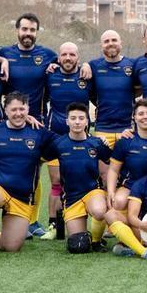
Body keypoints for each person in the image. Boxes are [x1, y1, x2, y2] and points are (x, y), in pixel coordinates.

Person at [0, 93, 58, 256]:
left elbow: (65, 144)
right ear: (5, 110)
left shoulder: (39, 132)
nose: (18, 113)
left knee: (11, 247)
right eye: (13, 109)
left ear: (28, 110)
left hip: (21, 197)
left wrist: (95, 142)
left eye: (22, 109)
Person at [50, 102, 117, 253]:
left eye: (81, 118)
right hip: (71, 198)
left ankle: (96, 241)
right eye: (73, 118)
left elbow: (112, 164)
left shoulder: (96, 143)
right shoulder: (58, 144)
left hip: (93, 192)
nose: (77, 122)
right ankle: (84, 236)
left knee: (99, 211)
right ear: (67, 121)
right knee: (77, 246)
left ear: (87, 121)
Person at [43, 41, 90, 238]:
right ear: (59, 57)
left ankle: (85, 223)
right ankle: (54, 225)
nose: (68, 58)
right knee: (56, 181)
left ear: (78, 58)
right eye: (64, 55)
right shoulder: (50, 74)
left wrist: (87, 65)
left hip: (81, 138)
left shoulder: (86, 76)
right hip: (55, 136)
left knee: (80, 179)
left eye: (72, 54)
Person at [0, 12, 57, 123]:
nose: (28, 33)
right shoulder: (4, 53)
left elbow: (70, 63)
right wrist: (2, 60)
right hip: (10, 120)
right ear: (17, 30)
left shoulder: (48, 55)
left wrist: (86, 66)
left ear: (36, 32)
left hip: (39, 121)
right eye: (24, 29)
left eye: (32, 30)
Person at [107, 98, 147, 215]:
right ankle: (114, 228)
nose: (145, 117)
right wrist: (111, 191)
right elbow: (113, 169)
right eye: (141, 114)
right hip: (130, 186)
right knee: (118, 201)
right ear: (134, 117)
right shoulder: (126, 140)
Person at [87, 30, 137, 147]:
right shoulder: (93, 66)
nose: (110, 43)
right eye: (106, 41)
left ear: (121, 43)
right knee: (103, 165)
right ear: (101, 45)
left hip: (127, 129)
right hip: (102, 129)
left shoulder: (133, 64)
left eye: (114, 40)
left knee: (128, 165)